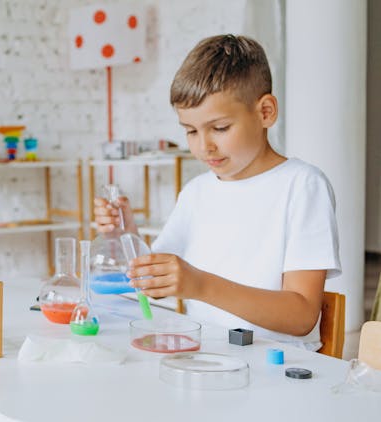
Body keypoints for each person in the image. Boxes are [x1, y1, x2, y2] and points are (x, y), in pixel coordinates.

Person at [94, 34, 340, 350]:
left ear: (265, 112)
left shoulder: (302, 186)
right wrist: (124, 232)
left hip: (278, 367)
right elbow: (154, 283)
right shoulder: (197, 192)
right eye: (191, 131)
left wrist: (200, 285)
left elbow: (302, 316)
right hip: (205, 356)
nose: (204, 146)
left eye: (220, 128)